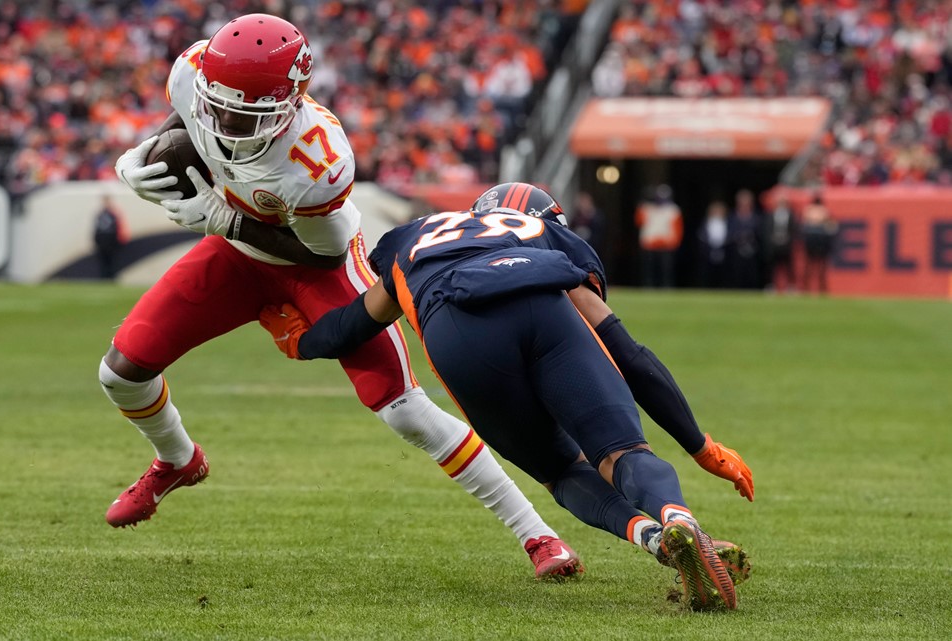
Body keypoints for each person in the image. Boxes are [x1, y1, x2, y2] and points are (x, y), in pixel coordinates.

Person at [103, 14, 580, 579]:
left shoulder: (316, 159)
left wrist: (223, 218)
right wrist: (145, 152)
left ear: (288, 104)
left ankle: (539, 537)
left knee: (405, 410)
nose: (226, 120)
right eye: (219, 103)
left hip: (312, 263)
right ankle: (178, 461)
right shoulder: (194, 74)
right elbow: (187, 117)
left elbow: (321, 255)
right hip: (236, 253)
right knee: (121, 372)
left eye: (246, 113)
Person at [260, 183, 754, 611]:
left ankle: (657, 542)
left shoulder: (412, 237)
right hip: (544, 309)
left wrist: (304, 342)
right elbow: (630, 355)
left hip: (457, 327)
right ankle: (678, 518)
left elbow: (352, 324)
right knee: (621, 451)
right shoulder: (546, 234)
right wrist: (700, 446)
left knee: (562, 469)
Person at [634, 184, 682, 288]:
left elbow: (678, 229)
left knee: (666, 269)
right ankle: (648, 286)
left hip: (666, 244)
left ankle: (666, 287)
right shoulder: (646, 208)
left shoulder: (673, 210)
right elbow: (638, 222)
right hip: (649, 243)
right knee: (649, 269)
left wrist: (674, 243)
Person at [800, 193, 837, 295]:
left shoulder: (819, 210)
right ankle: (807, 288)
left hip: (820, 240)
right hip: (813, 240)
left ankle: (820, 288)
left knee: (820, 267)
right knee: (811, 267)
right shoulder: (812, 210)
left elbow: (830, 225)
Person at [763, 193, 798, 293]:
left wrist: (789, 241)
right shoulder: (771, 214)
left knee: (789, 267)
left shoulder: (791, 215)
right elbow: (768, 229)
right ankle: (771, 286)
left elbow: (793, 230)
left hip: (786, 245)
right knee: (772, 267)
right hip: (774, 244)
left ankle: (791, 286)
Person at [696, 200, 729, 289]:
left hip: (723, 251)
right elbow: (702, 236)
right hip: (708, 252)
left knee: (722, 274)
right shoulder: (706, 223)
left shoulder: (727, 223)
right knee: (707, 273)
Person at [92, 196, 126, 280]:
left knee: (113, 261)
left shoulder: (114, 214)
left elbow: (119, 228)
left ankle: (112, 278)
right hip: (102, 241)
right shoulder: (100, 214)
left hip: (112, 241)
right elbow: (96, 229)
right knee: (103, 261)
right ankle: (104, 278)